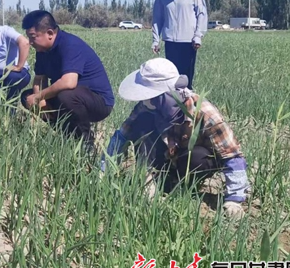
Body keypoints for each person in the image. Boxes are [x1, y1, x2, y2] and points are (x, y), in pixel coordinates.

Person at [101, 58, 250, 220]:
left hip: (191, 163)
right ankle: (150, 184)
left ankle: (183, 185)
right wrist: (103, 170)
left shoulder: (203, 111)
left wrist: (234, 199)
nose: (145, 101)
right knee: (142, 128)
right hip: (163, 162)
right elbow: (122, 137)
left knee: (199, 157)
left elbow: (232, 154)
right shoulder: (145, 108)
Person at [20, 10, 114, 151]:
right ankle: (67, 135)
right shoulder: (42, 51)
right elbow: (39, 79)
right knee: (27, 97)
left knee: (66, 94)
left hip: (99, 102)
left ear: (50, 33)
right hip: (70, 98)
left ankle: (86, 143)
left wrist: (39, 96)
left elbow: (69, 82)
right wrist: (41, 101)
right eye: (29, 37)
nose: (30, 42)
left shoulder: (70, 45)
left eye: (33, 37)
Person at [152, 0, 208, 90]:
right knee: (172, 78)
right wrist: (155, 40)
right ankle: (173, 106)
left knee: (186, 79)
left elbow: (202, 14)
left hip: (189, 41)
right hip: (170, 41)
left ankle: (188, 106)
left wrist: (198, 35)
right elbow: (157, 18)